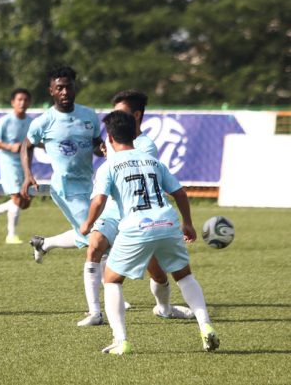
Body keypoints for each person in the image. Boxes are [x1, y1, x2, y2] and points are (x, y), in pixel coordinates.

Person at [80, 110, 219, 355]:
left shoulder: (108, 165)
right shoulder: (153, 161)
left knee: (112, 279)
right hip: (167, 222)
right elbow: (180, 193)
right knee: (185, 276)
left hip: (136, 226)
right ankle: (205, 325)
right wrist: (187, 223)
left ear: (110, 138)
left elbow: (99, 199)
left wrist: (87, 224)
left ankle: (120, 340)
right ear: (135, 133)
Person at [77, 90, 194, 327]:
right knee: (94, 247)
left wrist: (108, 153)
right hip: (113, 209)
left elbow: (124, 168)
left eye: (122, 113)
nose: (117, 118)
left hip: (139, 215)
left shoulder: (146, 146)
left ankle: (165, 308)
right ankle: (95, 312)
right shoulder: (116, 141)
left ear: (137, 115)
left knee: (158, 274)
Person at [20, 65, 103, 257]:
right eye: (59, 88)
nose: (65, 92)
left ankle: (44, 243)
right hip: (65, 187)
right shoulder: (44, 121)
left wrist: (105, 149)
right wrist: (27, 175)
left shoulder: (89, 115)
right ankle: (108, 284)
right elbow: (27, 145)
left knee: (97, 231)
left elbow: (97, 145)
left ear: (75, 88)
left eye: (68, 87)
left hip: (89, 184)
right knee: (96, 236)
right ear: (51, 91)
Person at [0, 88, 34, 244]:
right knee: (17, 198)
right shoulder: (5, 121)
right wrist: (8, 147)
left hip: (23, 165)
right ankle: (11, 235)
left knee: (25, 202)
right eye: (19, 99)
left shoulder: (30, 122)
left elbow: (32, 143)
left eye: (25, 100)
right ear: (13, 102)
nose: (22, 102)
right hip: (9, 164)